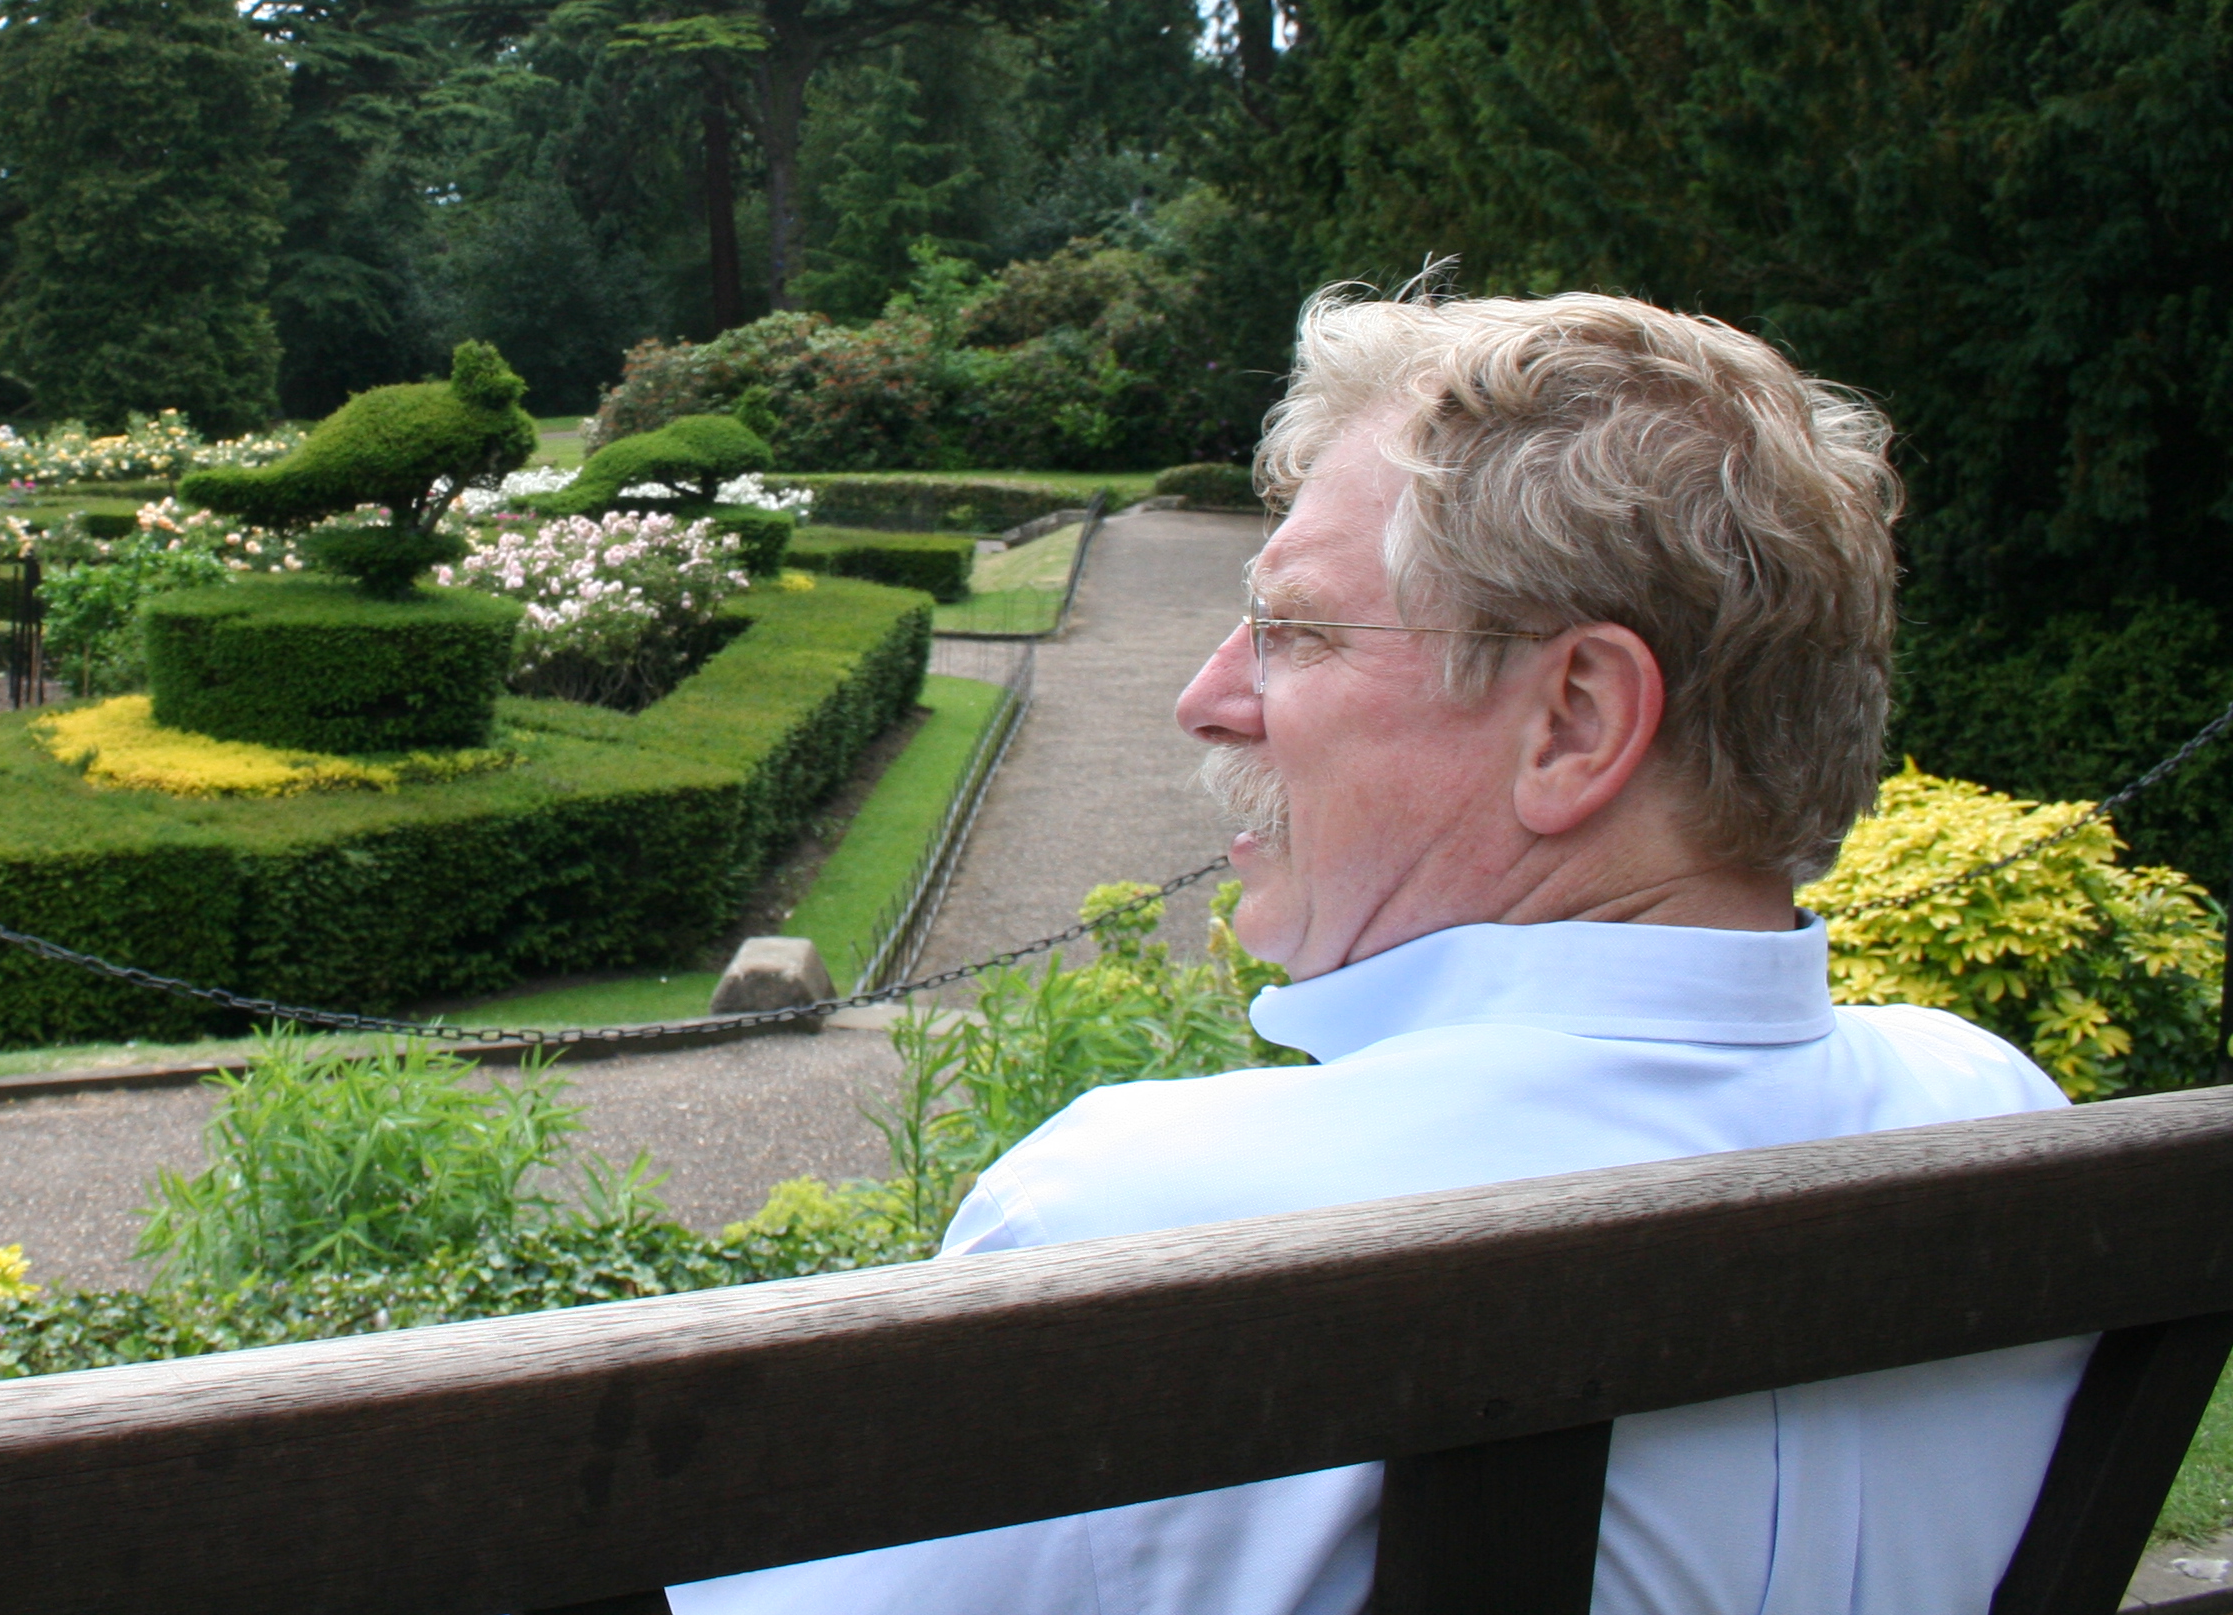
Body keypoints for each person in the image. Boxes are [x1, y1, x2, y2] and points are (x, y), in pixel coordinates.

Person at [672, 289, 2086, 1615]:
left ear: (1578, 721)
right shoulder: (1998, 1118)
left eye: (1289, 628)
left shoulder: (1145, 1224)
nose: (1207, 699)